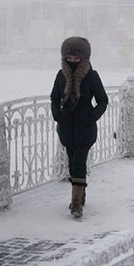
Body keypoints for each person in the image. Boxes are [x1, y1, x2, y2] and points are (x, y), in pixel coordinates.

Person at [50, 37, 109, 218]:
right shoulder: (61, 76)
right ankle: (81, 195)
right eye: (69, 58)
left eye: (77, 58)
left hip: (85, 127)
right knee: (71, 162)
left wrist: (91, 116)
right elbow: (54, 97)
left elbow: (102, 100)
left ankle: (76, 204)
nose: (73, 61)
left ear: (84, 58)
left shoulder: (92, 76)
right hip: (67, 127)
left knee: (79, 162)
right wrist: (57, 115)